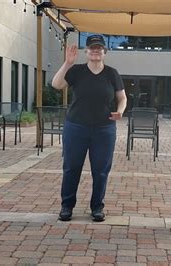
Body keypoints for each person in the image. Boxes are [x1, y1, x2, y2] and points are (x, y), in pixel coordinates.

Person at [51, 35, 127, 222]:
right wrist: (68, 63)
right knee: (71, 168)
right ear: (86, 52)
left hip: (104, 129)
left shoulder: (112, 73)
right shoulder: (76, 71)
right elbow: (57, 84)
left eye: (99, 48)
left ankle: (97, 207)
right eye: (92, 48)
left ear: (104, 52)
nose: (95, 50)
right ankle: (67, 206)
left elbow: (122, 98)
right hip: (76, 127)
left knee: (101, 170)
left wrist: (120, 111)